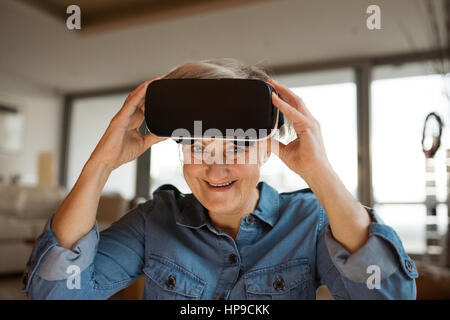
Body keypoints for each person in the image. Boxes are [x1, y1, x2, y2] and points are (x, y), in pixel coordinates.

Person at [23, 58, 417, 300]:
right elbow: (56, 293)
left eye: (237, 147)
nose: (216, 169)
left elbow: (390, 296)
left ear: (266, 148)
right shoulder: (154, 221)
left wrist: (319, 171)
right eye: (198, 147)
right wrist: (102, 163)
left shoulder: (309, 222)